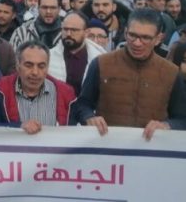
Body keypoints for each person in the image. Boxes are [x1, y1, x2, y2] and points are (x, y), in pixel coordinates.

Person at [74, 9, 186, 140]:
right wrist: (89, 117)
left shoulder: (171, 72)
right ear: (125, 33)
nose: (137, 43)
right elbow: (82, 104)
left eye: (145, 38)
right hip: (106, 145)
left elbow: (181, 118)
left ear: (158, 39)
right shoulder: (101, 64)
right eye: (132, 35)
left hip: (153, 148)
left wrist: (167, 126)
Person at [0, 40, 77, 133]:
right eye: (29, 65)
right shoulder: (0, 89)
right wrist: (19, 127)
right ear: (18, 66)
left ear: (47, 68)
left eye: (41, 66)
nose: (35, 72)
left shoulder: (66, 94)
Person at [48, 12, 106, 95]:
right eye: (65, 29)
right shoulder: (49, 57)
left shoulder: (99, 58)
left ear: (86, 32)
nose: (68, 34)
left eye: (74, 30)